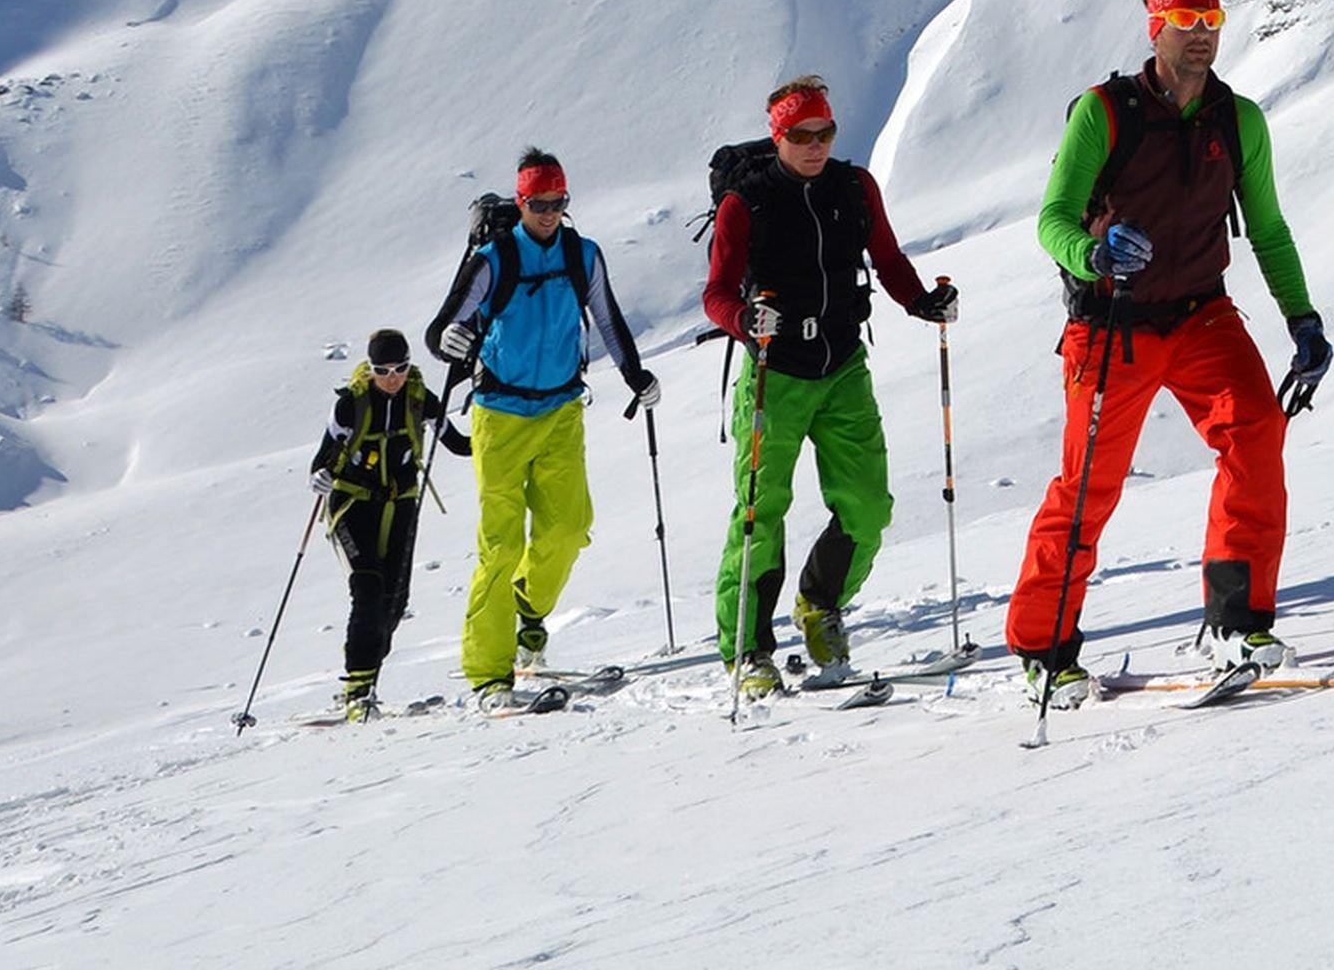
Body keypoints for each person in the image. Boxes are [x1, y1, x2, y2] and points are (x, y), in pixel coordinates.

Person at [1007, 0, 1332, 709]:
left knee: (1255, 434)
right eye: (1187, 23)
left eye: (1213, 22)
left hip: (1200, 314)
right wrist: (1091, 252)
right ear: (1156, 27)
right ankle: (1043, 648)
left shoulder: (1237, 118)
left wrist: (1301, 318)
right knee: (1089, 487)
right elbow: (1051, 219)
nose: (1202, 37)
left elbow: (1269, 230)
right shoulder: (1104, 112)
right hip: (1112, 323)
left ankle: (1235, 621)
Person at [698, 74, 958, 696]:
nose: (815, 144)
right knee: (762, 510)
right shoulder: (747, 202)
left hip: (842, 365)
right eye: (801, 134)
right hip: (774, 374)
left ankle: (820, 605)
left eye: (825, 132)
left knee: (869, 505)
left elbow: (888, 259)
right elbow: (715, 294)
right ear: (778, 135)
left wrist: (923, 302)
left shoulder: (853, 187)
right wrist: (743, 321)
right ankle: (748, 647)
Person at [428, 148, 654, 705]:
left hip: (561, 410)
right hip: (499, 414)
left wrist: (635, 376)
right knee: (500, 546)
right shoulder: (495, 258)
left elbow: (608, 317)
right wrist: (446, 343)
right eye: (537, 203)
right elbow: (441, 329)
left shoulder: (583, 255)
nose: (549, 213)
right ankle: (488, 673)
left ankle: (528, 608)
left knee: (568, 528)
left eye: (558, 202)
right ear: (521, 201)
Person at [306, 327, 468, 719]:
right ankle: (356, 690)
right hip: (352, 503)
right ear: (371, 369)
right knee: (368, 586)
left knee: (395, 600)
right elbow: (320, 462)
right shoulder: (352, 405)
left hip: (401, 502)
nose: (392, 377)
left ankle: (367, 680)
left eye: (400, 368)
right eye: (383, 370)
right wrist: (319, 478)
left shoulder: (419, 399)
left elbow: (460, 445)